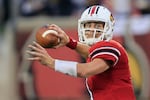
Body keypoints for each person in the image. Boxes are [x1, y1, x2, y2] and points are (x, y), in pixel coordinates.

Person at [26, 5, 136, 100]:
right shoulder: (100, 52)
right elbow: (90, 53)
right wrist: (69, 42)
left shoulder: (111, 46)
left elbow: (86, 70)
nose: (92, 30)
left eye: (97, 26)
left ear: (108, 27)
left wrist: (52, 63)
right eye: (88, 25)